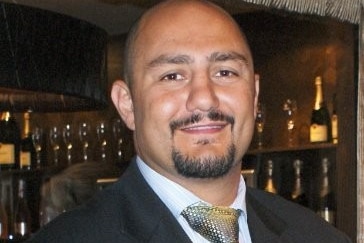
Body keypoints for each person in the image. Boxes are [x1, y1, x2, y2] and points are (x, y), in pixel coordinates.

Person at [28, 0, 351, 242]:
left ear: (253, 95)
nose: (204, 98)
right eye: (172, 75)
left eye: (225, 72)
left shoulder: (319, 237)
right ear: (127, 105)